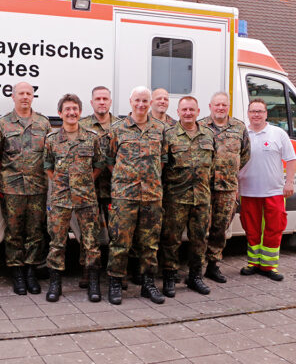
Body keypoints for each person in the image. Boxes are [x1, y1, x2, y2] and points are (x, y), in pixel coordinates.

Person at [105, 86, 167, 305]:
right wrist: (126, 180)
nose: (141, 105)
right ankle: (115, 282)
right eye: (137, 100)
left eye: (145, 101)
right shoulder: (117, 129)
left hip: (152, 196)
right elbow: (110, 160)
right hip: (124, 196)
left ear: (150, 103)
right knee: (120, 241)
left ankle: (148, 284)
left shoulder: (160, 129)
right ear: (130, 101)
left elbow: (164, 160)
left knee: (150, 243)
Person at [44, 94, 104, 302]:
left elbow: (98, 165)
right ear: (60, 113)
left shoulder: (91, 137)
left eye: (75, 109)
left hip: (86, 198)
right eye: (67, 109)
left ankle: (93, 283)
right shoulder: (52, 140)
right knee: (57, 243)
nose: (71, 113)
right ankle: (55, 284)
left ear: (80, 112)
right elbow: (48, 167)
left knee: (90, 242)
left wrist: (84, 182)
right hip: (60, 199)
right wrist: (64, 184)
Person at [0, 81, 51, 295]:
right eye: (21, 93)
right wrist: (10, 175)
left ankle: (31, 271)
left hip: (37, 187)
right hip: (12, 189)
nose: (25, 97)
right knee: (13, 233)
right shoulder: (2, 124)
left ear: (33, 96)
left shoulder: (43, 123)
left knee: (36, 232)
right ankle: (17, 273)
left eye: (29, 93)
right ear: (13, 96)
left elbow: (49, 156)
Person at [160, 96, 215, 296]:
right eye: (184, 110)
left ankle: (195, 277)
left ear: (198, 111)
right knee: (171, 240)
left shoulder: (208, 135)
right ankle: (169, 277)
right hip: (176, 198)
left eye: (192, 109)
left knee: (199, 239)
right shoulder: (169, 135)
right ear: (178, 112)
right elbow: (162, 167)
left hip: (201, 198)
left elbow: (213, 165)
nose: (188, 113)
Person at [238, 98, 296, 281]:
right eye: (253, 111)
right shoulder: (242, 134)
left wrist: (290, 183)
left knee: (274, 228)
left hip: (274, 191)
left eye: (260, 111)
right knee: (251, 229)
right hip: (248, 191)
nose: (256, 114)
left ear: (266, 114)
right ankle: (253, 263)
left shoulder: (278, 134)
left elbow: (291, 159)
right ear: (248, 114)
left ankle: (269, 266)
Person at [198, 92, 250, 283]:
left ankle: (213, 266)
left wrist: (229, 171)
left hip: (227, 188)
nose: (220, 108)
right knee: (201, 228)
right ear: (210, 106)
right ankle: (197, 268)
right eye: (217, 105)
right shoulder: (200, 126)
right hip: (204, 187)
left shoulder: (239, 127)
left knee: (220, 229)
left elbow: (245, 155)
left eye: (224, 105)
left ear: (228, 107)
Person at [78, 86, 117, 289]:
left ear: (110, 102)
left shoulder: (121, 126)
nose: (102, 102)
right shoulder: (82, 125)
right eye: (98, 99)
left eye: (105, 98)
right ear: (91, 102)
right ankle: (89, 270)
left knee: (117, 232)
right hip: (89, 189)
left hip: (115, 191)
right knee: (89, 232)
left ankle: (116, 272)